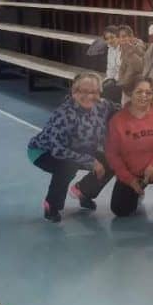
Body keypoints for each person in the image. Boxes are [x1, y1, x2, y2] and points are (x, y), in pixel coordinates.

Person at [28, 72, 116, 222]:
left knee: (113, 160)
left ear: (99, 93)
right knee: (68, 165)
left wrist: (151, 105)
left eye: (94, 92)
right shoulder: (64, 114)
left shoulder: (103, 105)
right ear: (74, 92)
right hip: (44, 151)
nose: (89, 96)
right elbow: (58, 150)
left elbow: (123, 110)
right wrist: (91, 161)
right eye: (83, 91)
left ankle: (84, 191)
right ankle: (51, 204)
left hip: (80, 148)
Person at [104, 77, 153, 218]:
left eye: (148, 93)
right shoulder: (118, 120)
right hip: (133, 173)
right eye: (139, 92)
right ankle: (138, 189)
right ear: (131, 93)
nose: (144, 96)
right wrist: (129, 180)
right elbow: (112, 154)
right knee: (120, 210)